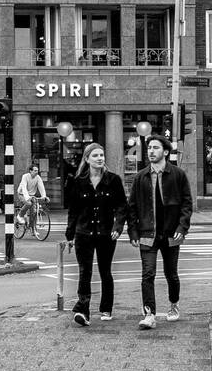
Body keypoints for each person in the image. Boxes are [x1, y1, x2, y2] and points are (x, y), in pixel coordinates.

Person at [126, 135, 192, 330]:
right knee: (148, 274)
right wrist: (133, 232)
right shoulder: (140, 177)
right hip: (147, 232)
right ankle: (149, 314)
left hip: (171, 233)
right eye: (149, 148)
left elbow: (187, 204)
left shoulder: (178, 175)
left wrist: (182, 227)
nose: (151, 151)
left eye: (155, 148)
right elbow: (132, 207)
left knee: (171, 273)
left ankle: (173, 304)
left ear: (165, 151)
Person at [65, 143, 126, 327]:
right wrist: (69, 235)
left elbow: (122, 206)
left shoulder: (113, 180)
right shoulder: (78, 181)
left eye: (102, 155)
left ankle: (106, 307)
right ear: (87, 159)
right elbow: (73, 210)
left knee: (105, 271)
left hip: (106, 233)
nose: (100, 158)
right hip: (83, 233)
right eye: (95, 156)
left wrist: (118, 225)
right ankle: (83, 310)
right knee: (85, 271)